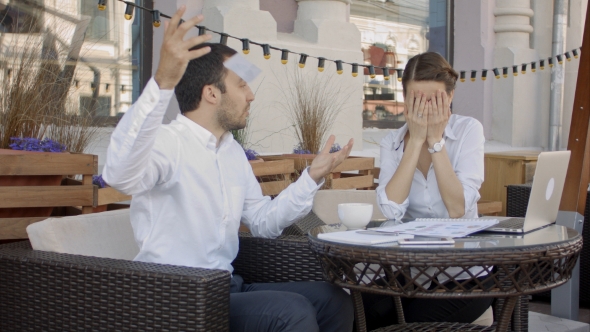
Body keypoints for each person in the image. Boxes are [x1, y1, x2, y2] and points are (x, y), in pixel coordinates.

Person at [103, 7, 354, 332]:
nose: (251, 95)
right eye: (241, 85)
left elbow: (263, 222)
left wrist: (312, 177)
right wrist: (163, 81)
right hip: (176, 297)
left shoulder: (232, 151)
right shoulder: (169, 143)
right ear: (211, 93)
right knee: (290, 311)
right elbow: (119, 174)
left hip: (225, 288)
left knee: (335, 299)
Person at [363, 52, 492, 329]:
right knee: (362, 311)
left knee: (411, 323)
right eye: (417, 99)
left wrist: (435, 141)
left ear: (450, 97)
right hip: (413, 272)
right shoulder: (392, 142)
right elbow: (391, 208)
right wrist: (416, 140)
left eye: (433, 100)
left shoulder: (468, 130)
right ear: (405, 99)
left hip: (467, 273)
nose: (425, 108)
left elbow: (458, 209)